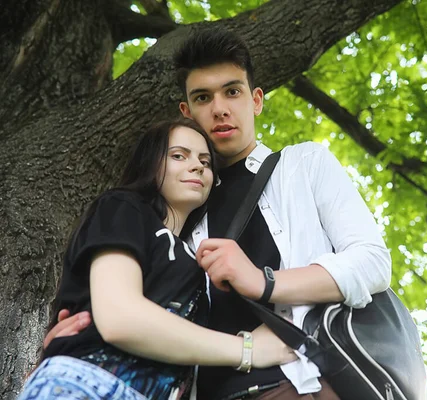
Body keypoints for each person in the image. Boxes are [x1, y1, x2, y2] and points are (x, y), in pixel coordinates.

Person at [44, 29, 392, 400]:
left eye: (232, 91)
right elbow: (139, 312)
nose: (220, 108)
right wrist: (80, 338)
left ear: (256, 100)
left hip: (299, 383)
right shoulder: (178, 211)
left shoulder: (303, 165)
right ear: (188, 112)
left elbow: (372, 262)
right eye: (202, 97)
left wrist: (265, 281)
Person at [22, 119, 296, 400]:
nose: (198, 166)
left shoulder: (194, 253)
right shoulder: (124, 207)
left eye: (205, 161)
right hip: (90, 384)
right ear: (151, 163)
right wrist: (248, 349)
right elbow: (120, 318)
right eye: (179, 155)